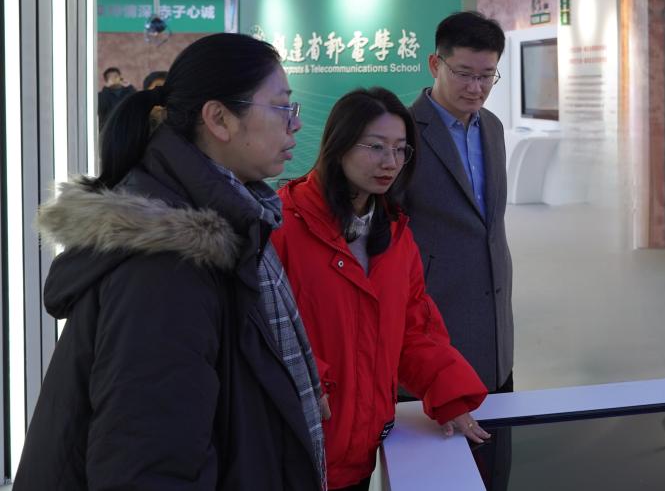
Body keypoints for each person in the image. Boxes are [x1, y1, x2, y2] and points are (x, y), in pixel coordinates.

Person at [16, 33, 326, 490]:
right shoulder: (167, 267)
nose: (295, 123)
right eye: (282, 107)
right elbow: (149, 467)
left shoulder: (234, 222)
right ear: (219, 119)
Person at [274, 87, 490, 491]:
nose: (389, 162)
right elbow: (260, 334)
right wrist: (309, 385)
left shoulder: (394, 233)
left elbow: (413, 328)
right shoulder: (284, 225)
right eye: (375, 147)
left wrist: (449, 395)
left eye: (400, 149)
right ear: (338, 145)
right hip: (295, 448)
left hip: (361, 448)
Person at [405, 10, 512, 393]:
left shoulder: (492, 127)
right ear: (435, 64)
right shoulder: (404, 132)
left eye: (487, 76)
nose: (476, 88)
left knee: (499, 422)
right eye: (464, 73)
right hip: (432, 319)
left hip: (495, 325)